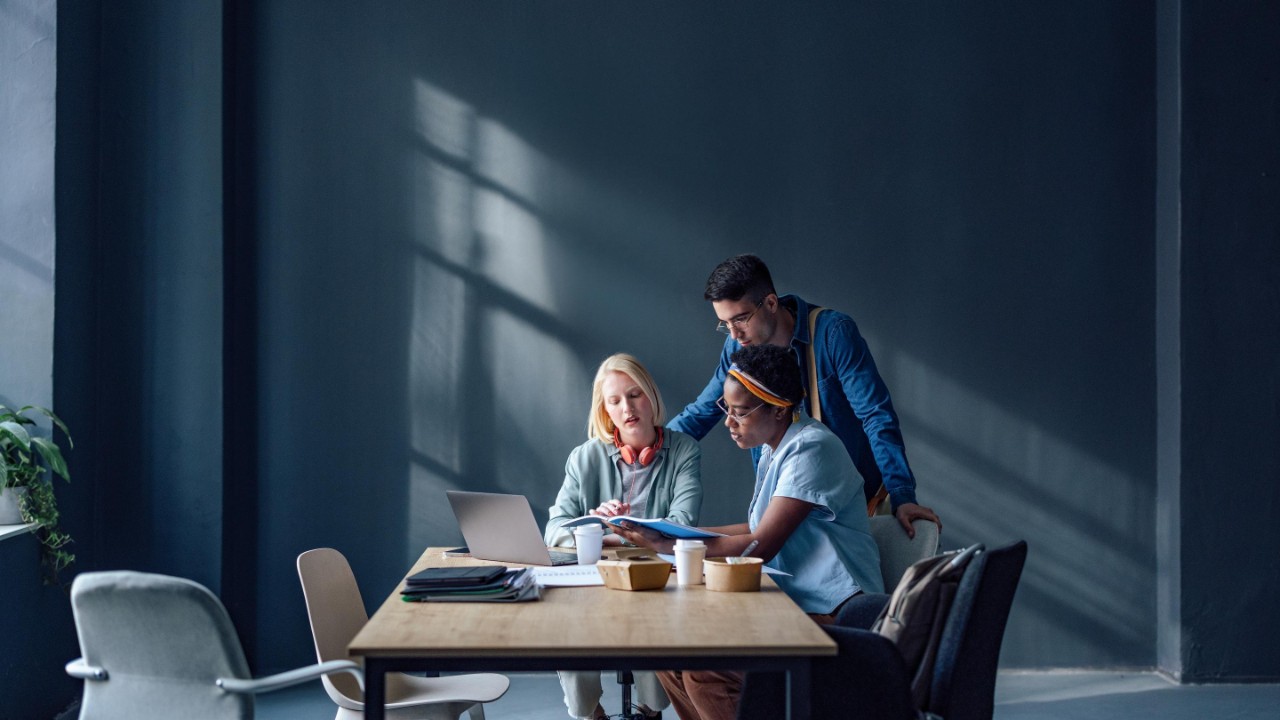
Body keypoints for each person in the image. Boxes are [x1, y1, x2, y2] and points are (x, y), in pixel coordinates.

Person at [614, 343, 882, 720]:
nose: (728, 422)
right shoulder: (777, 446)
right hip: (792, 604)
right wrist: (675, 532)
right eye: (727, 409)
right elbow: (756, 527)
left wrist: (672, 543)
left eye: (740, 412)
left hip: (836, 616)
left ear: (779, 408)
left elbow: (761, 544)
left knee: (708, 669)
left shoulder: (811, 449)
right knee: (671, 654)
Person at [668, 253, 941, 536]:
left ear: (771, 303)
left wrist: (902, 495)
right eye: (724, 324)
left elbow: (875, 415)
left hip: (848, 508)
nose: (734, 334)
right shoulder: (737, 346)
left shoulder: (833, 334)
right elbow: (702, 411)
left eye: (740, 319)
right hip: (786, 508)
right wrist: (647, 452)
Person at [545, 353, 703, 720]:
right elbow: (555, 529)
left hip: (656, 579)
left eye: (635, 395)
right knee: (568, 630)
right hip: (593, 579)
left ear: (651, 397)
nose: (627, 407)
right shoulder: (583, 458)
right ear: (605, 411)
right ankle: (592, 715)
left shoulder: (684, 451)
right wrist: (603, 532)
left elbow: (683, 521)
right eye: (614, 400)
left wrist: (624, 530)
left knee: (653, 630)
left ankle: (650, 711)